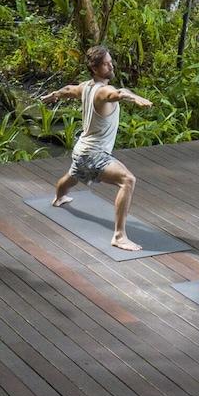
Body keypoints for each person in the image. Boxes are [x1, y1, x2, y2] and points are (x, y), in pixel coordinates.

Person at [39, 45, 155, 251]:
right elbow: (118, 93)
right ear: (94, 68)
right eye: (105, 64)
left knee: (73, 175)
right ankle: (119, 236)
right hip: (94, 154)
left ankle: (58, 197)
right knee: (128, 180)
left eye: (110, 61)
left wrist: (53, 95)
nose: (111, 66)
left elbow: (68, 90)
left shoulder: (86, 86)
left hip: (81, 150)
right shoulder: (104, 91)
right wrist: (134, 97)